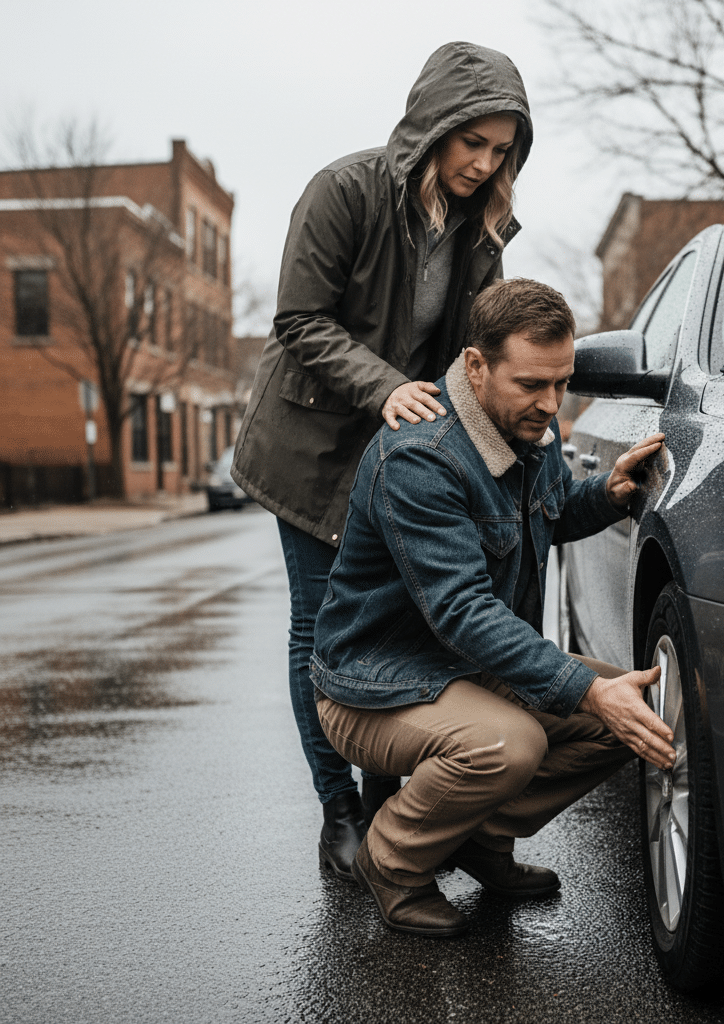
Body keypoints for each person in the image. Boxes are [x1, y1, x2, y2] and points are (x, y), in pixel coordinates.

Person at [230, 42, 534, 880]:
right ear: (434, 123)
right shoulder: (345, 190)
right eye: (472, 141)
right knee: (319, 632)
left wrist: (519, 405)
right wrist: (389, 389)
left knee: (408, 634)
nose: (484, 162)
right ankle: (340, 816)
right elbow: (299, 318)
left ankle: (408, 822)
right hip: (313, 446)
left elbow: (478, 341)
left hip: (402, 457)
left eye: (502, 148)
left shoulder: (481, 227)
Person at [310, 278, 676, 937]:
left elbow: (547, 517)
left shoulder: (526, 430)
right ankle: (391, 857)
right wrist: (583, 692)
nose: (551, 403)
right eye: (533, 384)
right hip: (379, 686)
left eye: (563, 383)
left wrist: (608, 493)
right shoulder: (421, 456)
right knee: (513, 742)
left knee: (634, 710)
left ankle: (476, 838)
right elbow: (462, 611)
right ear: (476, 366)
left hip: (469, 670)